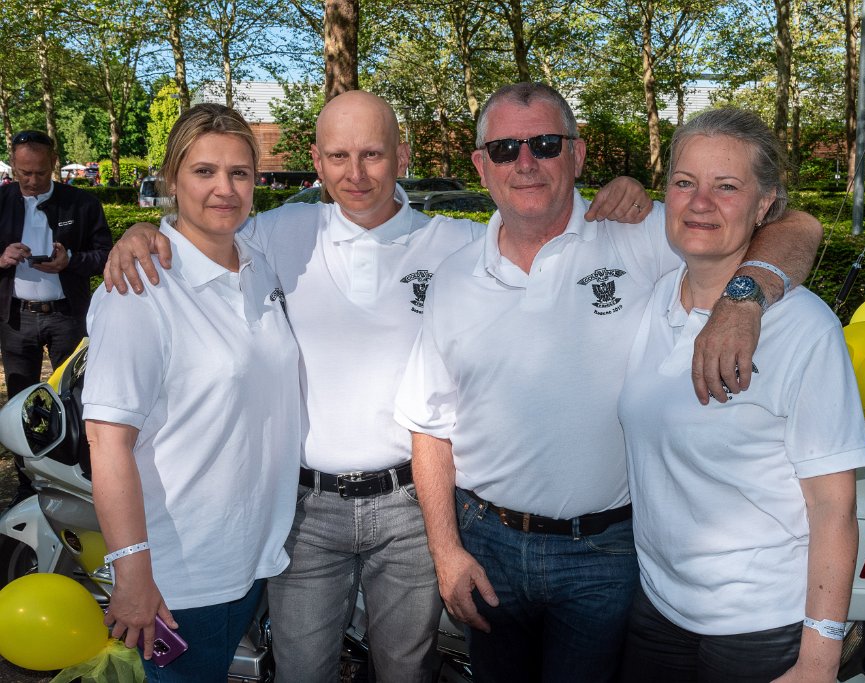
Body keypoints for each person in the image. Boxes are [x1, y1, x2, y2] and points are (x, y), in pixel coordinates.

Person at [102, 90, 650, 682]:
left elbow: (535, 224)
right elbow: (201, 231)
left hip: (410, 507)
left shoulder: (457, 244)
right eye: (338, 156)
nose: (356, 173)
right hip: (305, 509)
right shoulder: (277, 234)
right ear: (316, 161)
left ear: (402, 156)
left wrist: (621, 194)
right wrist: (143, 232)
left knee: (406, 669)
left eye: (373, 154)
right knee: (302, 670)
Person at [393, 84, 823, 683]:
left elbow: (796, 224)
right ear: (480, 165)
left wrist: (743, 298)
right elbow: (429, 424)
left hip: (604, 552)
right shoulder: (454, 277)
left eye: (546, 144)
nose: (525, 162)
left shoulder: (641, 235)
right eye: (505, 148)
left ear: (577, 154)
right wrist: (446, 551)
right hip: (487, 544)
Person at [617, 108, 865, 682]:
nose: (700, 202)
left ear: (764, 205)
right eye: (685, 182)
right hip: (659, 607)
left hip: (762, 626)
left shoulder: (804, 328)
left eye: (726, 187)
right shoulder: (653, 299)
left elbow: (834, 507)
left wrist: (818, 660)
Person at [82, 103, 301, 682]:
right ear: (172, 180)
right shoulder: (140, 289)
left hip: (251, 557)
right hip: (180, 577)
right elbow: (106, 439)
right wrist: (132, 573)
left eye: (239, 173)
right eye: (204, 171)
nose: (224, 188)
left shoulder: (259, 266)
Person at [0, 129, 112, 504]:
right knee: (21, 404)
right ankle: (27, 486)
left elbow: (106, 255)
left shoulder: (81, 204)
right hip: (16, 319)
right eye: (24, 173)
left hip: (66, 316)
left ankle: (76, 478)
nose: (32, 181)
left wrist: (71, 261)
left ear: (53, 164)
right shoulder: (2, 201)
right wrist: (2, 258)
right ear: (13, 165)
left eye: (40, 173)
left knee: (75, 401)